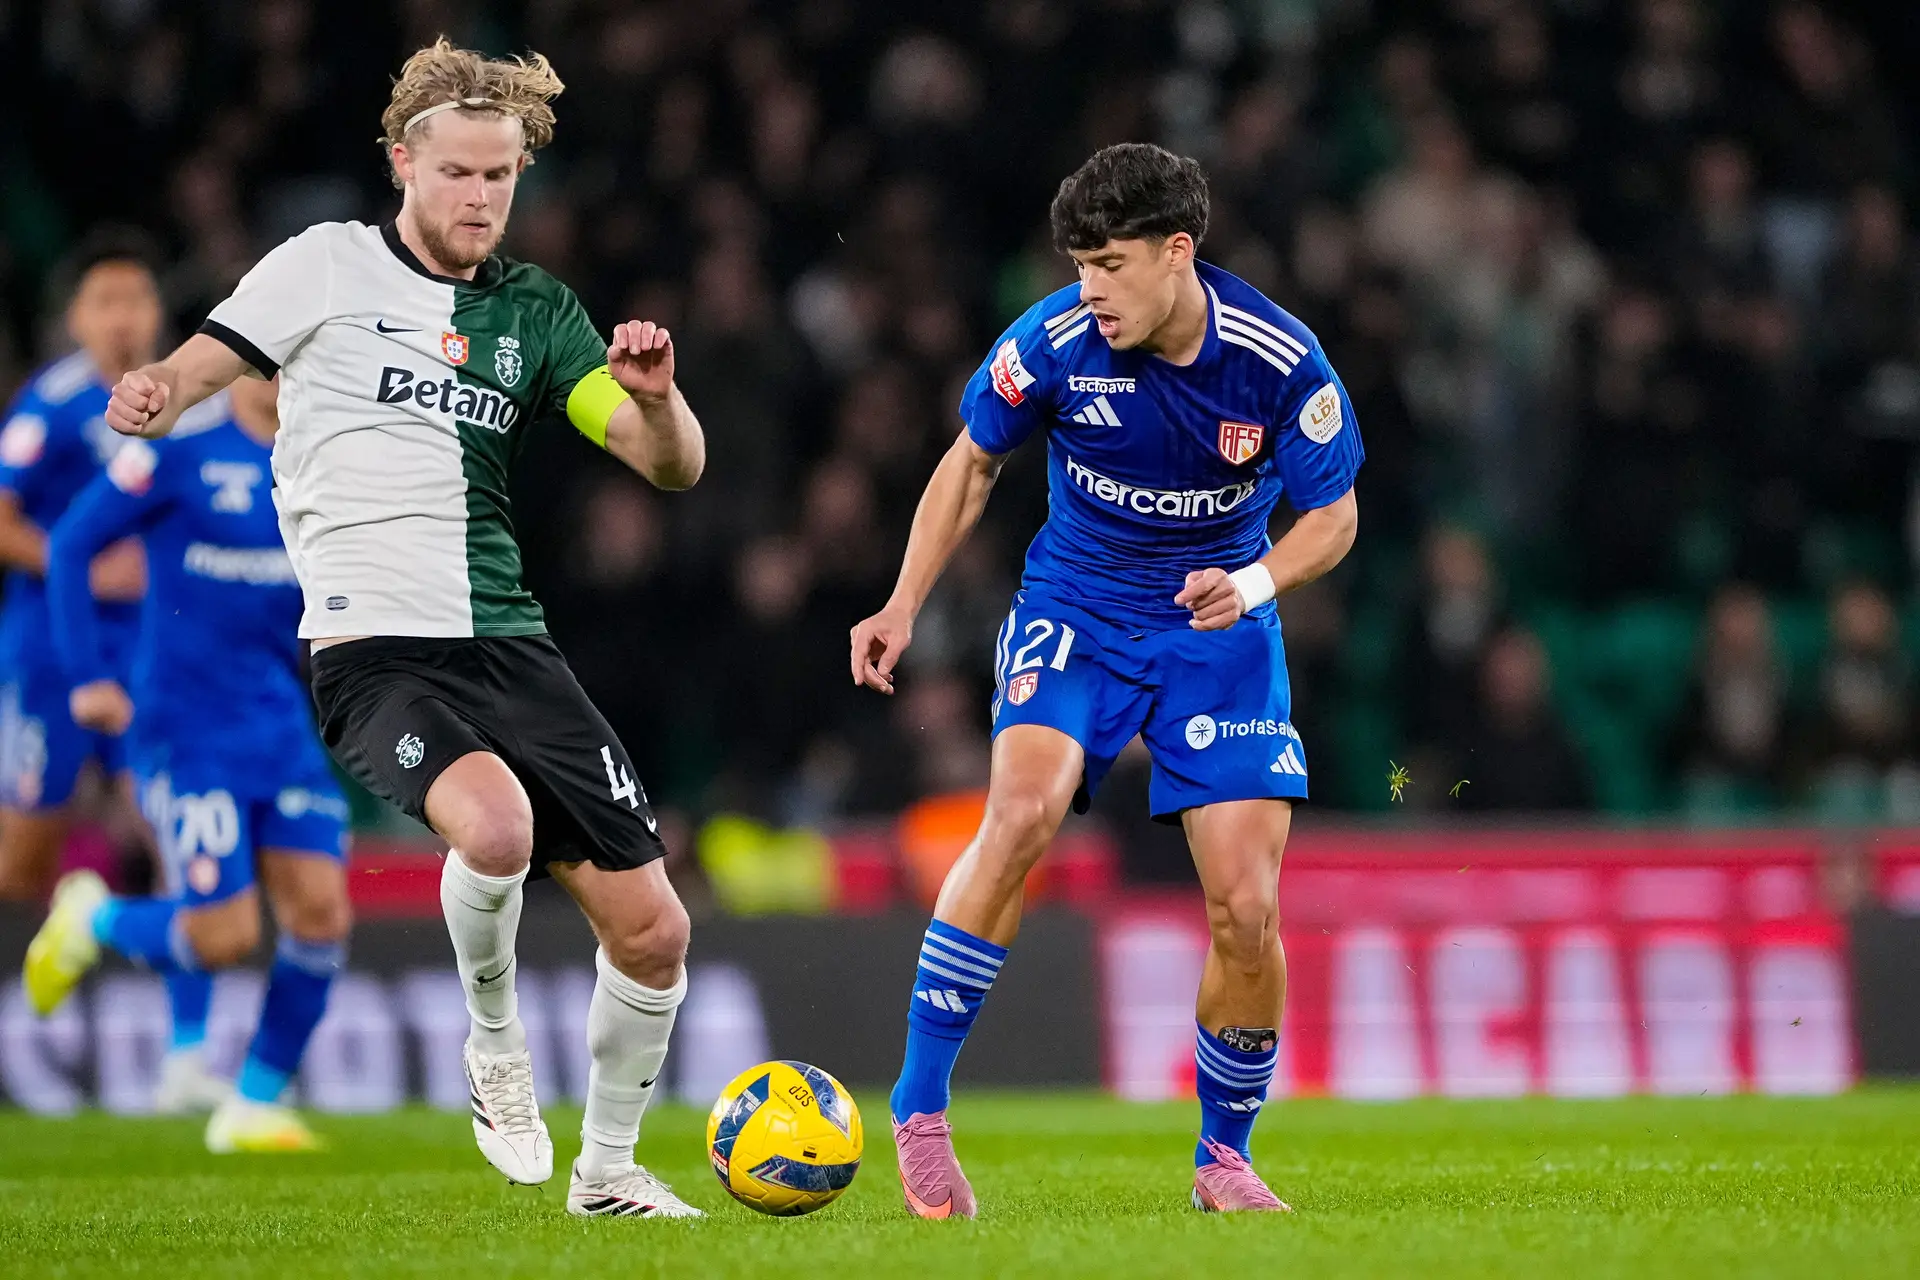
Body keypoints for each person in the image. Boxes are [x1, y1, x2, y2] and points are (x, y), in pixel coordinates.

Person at [98, 40, 707, 1218]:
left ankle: (611, 1173)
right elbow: (202, 366)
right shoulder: (321, 268)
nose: (482, 198)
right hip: (371, 650)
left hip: (510, 643)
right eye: (461, 174)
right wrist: (157, 391)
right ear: (403, 165)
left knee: (657, 931)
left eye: (502, 176)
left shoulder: (537, 314)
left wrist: (659, 399)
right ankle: (494, 1048)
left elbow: (666, 466)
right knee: (494, 825)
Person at [850, 143, 1362, 1216]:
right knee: (1024, 810)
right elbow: (973, 462)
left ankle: (1223, 1157)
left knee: (1246, 910)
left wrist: (1258, 579)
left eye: (1111, 265)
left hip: (1216, 627)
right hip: (1075, 609)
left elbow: (1336, 516)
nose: (1090, 290)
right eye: (1079, 265)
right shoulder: (1051, 343)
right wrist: (902, 601)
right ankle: (921, 1107)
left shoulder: (1277, 358)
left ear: (1178, 254)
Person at [25, 376, 351, 1151]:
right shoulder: (177, 448)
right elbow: (71, 543)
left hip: (278, 724)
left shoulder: (328, 461)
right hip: (184, 728)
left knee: (323, 916)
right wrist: (88, 677)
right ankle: (93, 917)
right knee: (224, 936)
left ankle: (251, 1105)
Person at [0, 239, 222, 1110]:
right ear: (77, 318)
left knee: (176, 840)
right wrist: (82, 568)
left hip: (153, 654)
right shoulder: (48, 408)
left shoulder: (186, 403)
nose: (124, 317)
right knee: (21, 866)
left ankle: (188, 1057)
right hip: (50, 653)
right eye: (106, 302)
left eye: (137, 298)